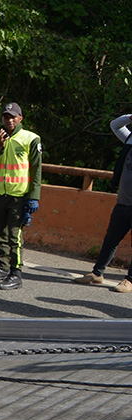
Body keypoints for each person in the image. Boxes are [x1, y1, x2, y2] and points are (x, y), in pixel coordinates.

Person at [0, 102, 42, 290]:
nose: (9, 120)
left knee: (14, 236)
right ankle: (2, 267)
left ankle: (16, 273)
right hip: (0, 193)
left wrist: (34, 197)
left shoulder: (30, 139)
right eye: (5, 116)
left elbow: (36, 170)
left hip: (19, 195)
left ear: (20, 118)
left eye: (13, 117)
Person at [74, 113, 132, 292]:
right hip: (123, 203)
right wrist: (130, 117)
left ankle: (130, 280)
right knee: (110, 240)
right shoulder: (130, 138)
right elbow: (115, 125)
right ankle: (97, 273)